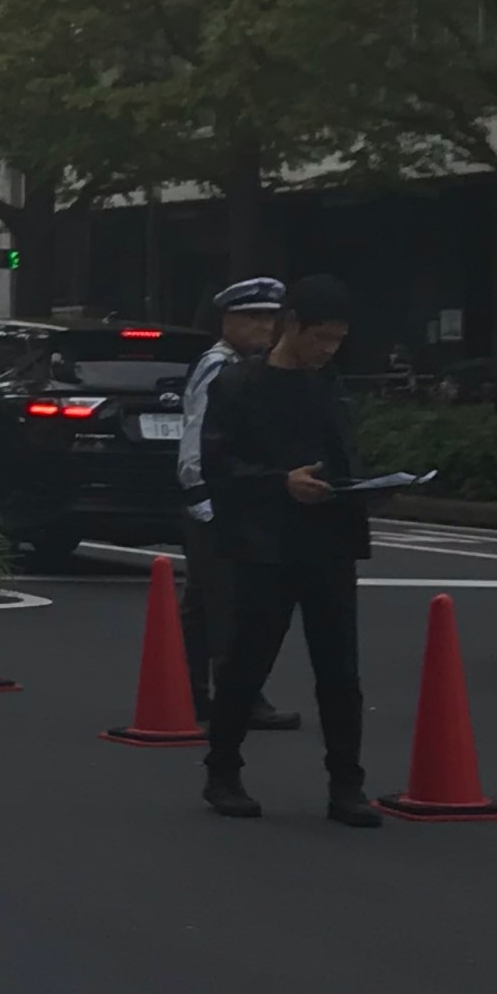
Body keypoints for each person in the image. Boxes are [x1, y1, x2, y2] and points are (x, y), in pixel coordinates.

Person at [199, 274, 381, 828]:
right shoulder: (238, 384)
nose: (328, 350)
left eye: (338, 341)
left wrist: (364, 487)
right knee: (247, 663)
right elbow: (218, 467)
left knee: (340, 671)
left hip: (329, 539)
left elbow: (343, 452)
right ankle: (222, 771)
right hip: (265, 544)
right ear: (293, 325)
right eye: (321, 338)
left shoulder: (328, 382)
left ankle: (346, 785)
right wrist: (281, 482)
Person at [176, 279, 298, 731]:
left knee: (203, 606)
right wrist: (202, 499)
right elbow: (197, 436)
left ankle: (191, 693)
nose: (263, 326)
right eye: (252, 317)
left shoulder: (243, 366)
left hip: (220, 501)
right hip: (218, 503)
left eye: (269, 317)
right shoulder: (219, 367)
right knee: (232, 605)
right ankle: (241, 699)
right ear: (227, 321)